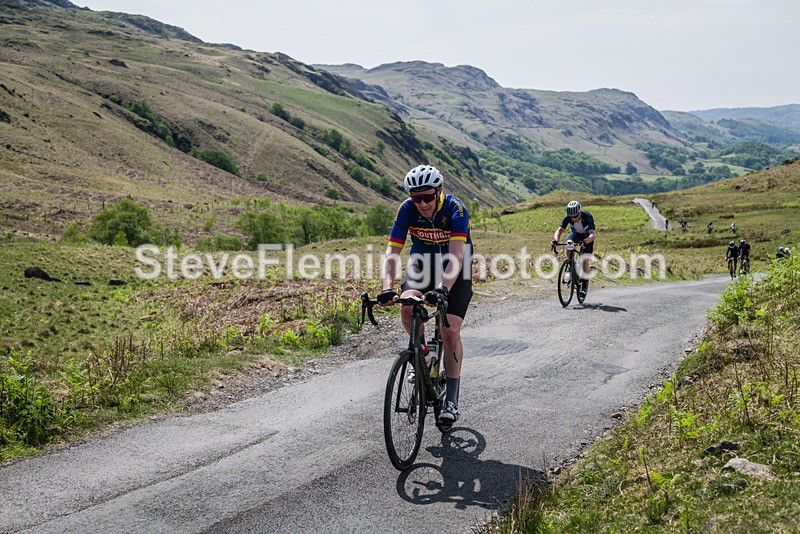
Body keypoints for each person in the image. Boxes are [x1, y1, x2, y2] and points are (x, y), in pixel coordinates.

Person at [378, 164, 473, 426]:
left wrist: (443, 289)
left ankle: (451, 400)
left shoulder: (455, 209)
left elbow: (455, 255)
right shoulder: (407, 210)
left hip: (455, 267)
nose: (422, 204)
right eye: (416, 198)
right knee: (408, 308)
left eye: (428, 197)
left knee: (450, 330)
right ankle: (422, 358)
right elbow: (392, 252)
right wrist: (387, 287)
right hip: (422, 263)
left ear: (439, 192)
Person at [551, 200, 596, 300]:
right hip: (575, 235)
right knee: (569, 243)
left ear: (579, 212)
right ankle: (570, 265)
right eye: (572, 217)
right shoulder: (568, 217)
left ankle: (584, 285)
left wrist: (585, 241)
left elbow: (593, 234)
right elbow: (560, 230)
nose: (574, 219)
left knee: (584, 260)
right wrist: (555, 239)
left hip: (587, 237)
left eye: (575, 216)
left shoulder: (587, 216)